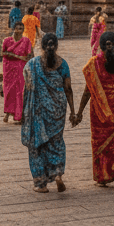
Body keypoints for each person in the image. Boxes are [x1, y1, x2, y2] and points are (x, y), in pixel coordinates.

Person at [73, 30, 114, 189]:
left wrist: (79, 111)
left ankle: (103, 176)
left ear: (100, 46)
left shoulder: (94, 63)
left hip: (100, 111)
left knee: (100, 142)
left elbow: (88, 90)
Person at [20, 33, 74, 193]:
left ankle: (40, 183)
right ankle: (57, 174)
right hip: (58, 110)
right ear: (56, 46)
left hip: (38, 110)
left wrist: (24, 110)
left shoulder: (32, 64)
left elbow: (27, 89)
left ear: (41, 47)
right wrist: (73, 111)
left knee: (37, 145)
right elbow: (68, 89)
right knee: (56, 142)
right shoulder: (63, 64)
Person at [2, 20, 33, 124]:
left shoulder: (26, 41)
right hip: (9, 69)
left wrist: (27, 58)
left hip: (21, 69)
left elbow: (30, 54)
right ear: (13, 29)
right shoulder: (7, 40)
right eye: (17, 28)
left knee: (19, 92)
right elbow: (3, 52)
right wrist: (15, 56)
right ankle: (7, 112)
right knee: (9, 92)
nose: (18, 30)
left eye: (21, 28)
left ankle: (19, 115)